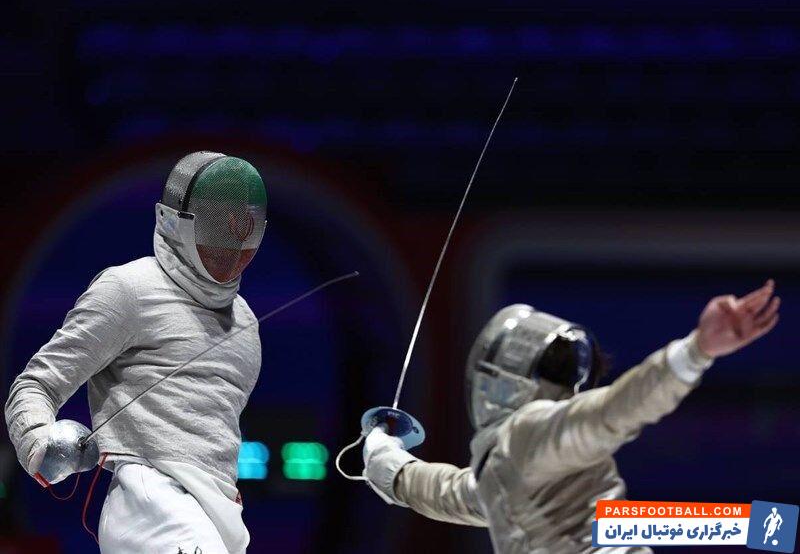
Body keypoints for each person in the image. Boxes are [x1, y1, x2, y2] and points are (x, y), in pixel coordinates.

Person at [362, 281, 780, 553]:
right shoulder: (506, 470)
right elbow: (441, 491)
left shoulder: (530, 432)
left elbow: (614, 412)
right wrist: (382, 448)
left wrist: (696, 351)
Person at [5, 151, 268, 553]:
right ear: (174, 221)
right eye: (218, 223)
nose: (231, 240)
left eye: (241, 225)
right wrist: (37, 440)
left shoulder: (245, 323)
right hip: (151, 501)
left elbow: (213, 432)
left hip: (220, 512)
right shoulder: (130, 289)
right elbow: (36, 383)